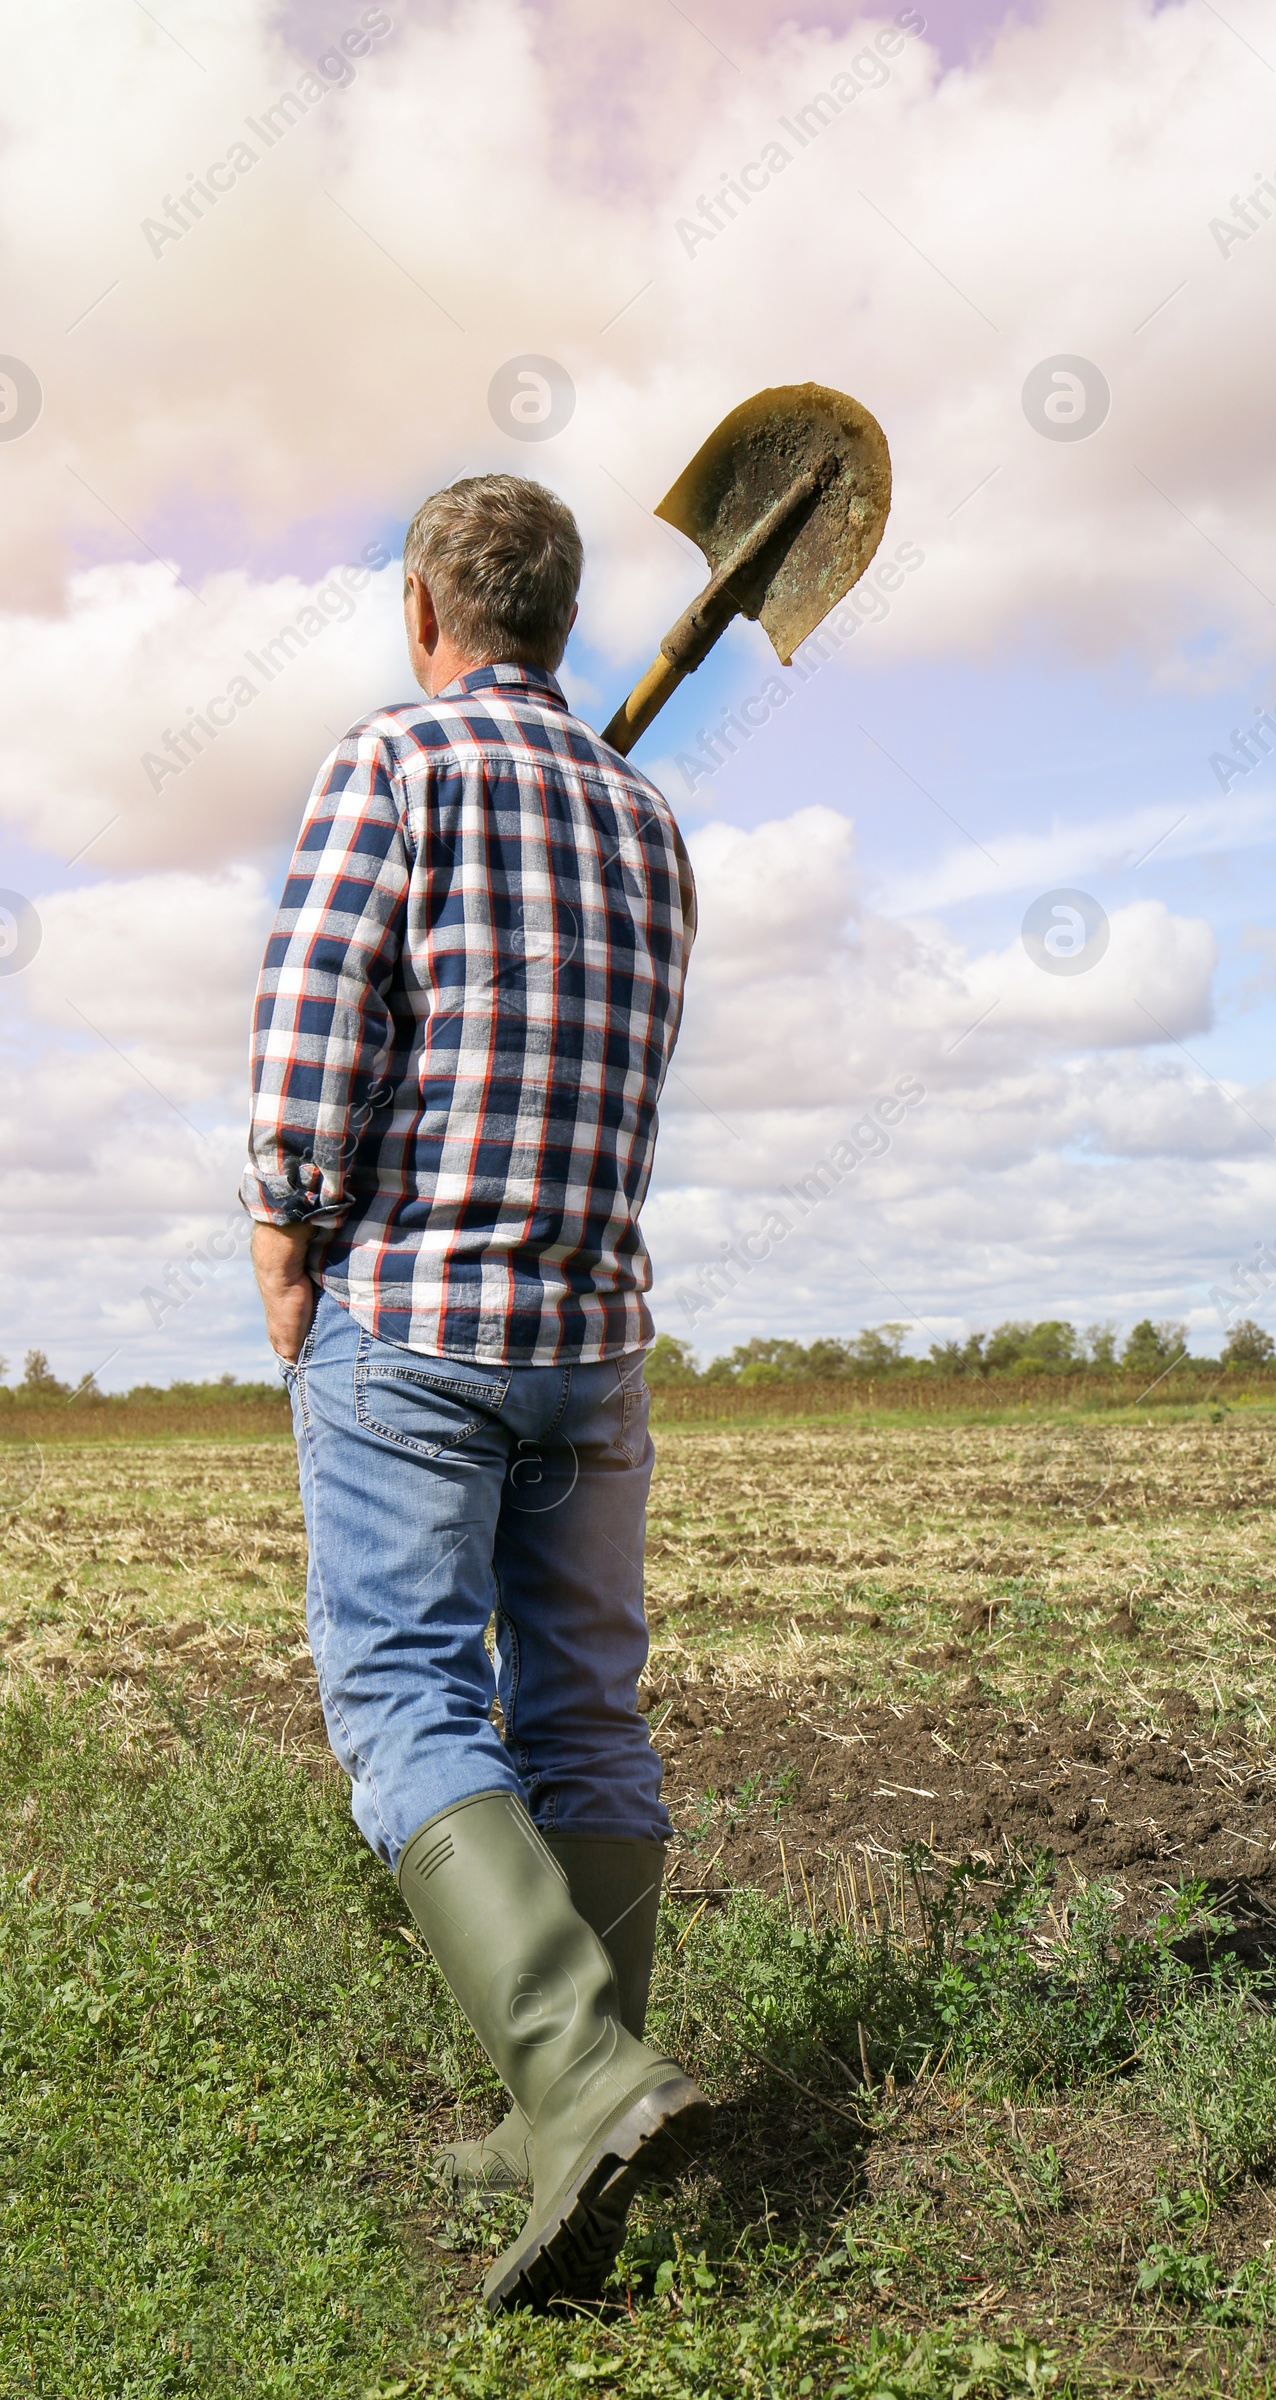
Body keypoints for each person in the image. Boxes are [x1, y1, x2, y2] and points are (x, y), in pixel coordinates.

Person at [241, 472, 706, 2313]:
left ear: (425, 609)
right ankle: (561, 2115)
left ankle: (582, 2075)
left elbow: (314, 1020)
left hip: (419, 1317)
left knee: (406, 1699)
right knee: (585, 1713)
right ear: (563, 624)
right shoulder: (649, 817)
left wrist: (289, 1231)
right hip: (592, 1336)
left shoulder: (394, 763)